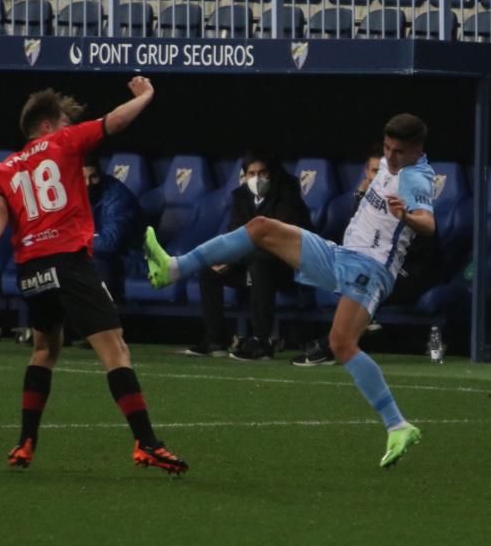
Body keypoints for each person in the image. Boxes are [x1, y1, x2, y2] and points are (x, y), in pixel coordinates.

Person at [145, 114, 436, 468]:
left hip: (370, 270)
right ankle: (174, 267)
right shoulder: (390, 166)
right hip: (341, 255)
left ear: (417, 149)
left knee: (341, 344)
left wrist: (406, 216)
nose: (390, 157)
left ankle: (398, 425)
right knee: (260, 227)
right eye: (387, 148)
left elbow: (428, 224)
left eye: (398, 152)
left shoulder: (416, 176)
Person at [0, 78, 188, 475]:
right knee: (116, 350)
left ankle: (25, 442)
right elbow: (113, 122)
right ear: (49, 124)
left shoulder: (4, 169)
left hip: (32, 269)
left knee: (44, 351)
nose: (70, 127)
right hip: (68, 260)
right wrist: (147, 97)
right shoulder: (64, 143)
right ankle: (147, 442)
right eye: (66, 121)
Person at [291, 150, 441, 367]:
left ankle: (330, 346)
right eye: (373, 170)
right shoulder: (368, 199)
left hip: (413, 270)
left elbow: (425, 245)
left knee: (365, 280)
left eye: (380, 171)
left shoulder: (409, 195)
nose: (376, 175)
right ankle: (349, 332)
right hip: (374, 267)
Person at [186, 151, 313, 361]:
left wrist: (235, 256)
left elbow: (275, 239)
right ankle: (216, 340)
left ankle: (261, 343)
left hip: (286, 267)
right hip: (250, 263)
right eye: (251, 173)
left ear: (272, 174)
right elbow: (235, 233)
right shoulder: (241, 197)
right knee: (209, 270)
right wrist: (225, 256)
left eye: (262, 172)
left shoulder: (287, 196)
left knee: (260, 264)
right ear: (244, 176)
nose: (257, 178)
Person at [83, 153, 142, 301]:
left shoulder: (118, 197)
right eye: (82, 178)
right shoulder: (69, 193)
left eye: (93, 177)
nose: (88, 184)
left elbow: (109, 243)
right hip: (92, 253)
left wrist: (71, 240)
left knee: (96, 262)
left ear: (101, 175)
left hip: (129, 258)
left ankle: (101, 321)